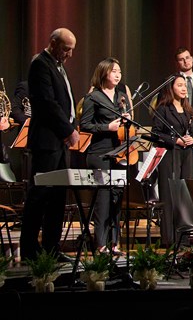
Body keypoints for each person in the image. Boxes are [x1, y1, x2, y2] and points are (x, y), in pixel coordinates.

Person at [20, 28, 79, 260]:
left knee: (57, 198)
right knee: (40, 196)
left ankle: (52, 249)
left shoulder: (58, 65)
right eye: (66, 49)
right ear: (53, 43)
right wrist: (68, 130)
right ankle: (30, 251)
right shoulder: (40, 64)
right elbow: (46, 103)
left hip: (60, 142)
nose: (69, 54)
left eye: (72, 50)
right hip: (47, 141)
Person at [79, 57, 133, 254]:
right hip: (100, 153)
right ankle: (100, 244)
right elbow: (85, 125)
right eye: (114, 71)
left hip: (119, 153)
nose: (118, 74)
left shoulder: (121, 96)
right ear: (104, 73)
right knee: (103, 199)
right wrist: (107, 127)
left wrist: (126, 121)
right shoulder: (93, 97)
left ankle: (114, 242)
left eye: (119, 71)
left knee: (117, 198)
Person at [152, 74, 193, 246]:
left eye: (185, 85)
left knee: (185, 195)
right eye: (180, 85)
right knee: (170, 196)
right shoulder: (163, 109)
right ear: (171, 89)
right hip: (170, 155)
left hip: (186, 156)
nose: (184, 88)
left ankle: (184, 238)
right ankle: (169, 239)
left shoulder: (189, 110)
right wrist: (175, 140)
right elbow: (156, 134)